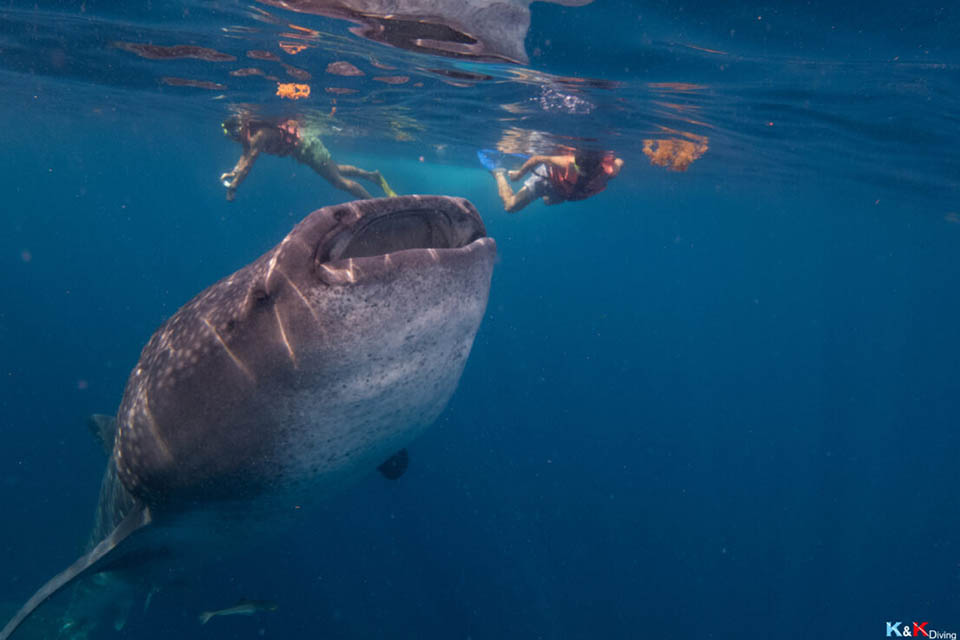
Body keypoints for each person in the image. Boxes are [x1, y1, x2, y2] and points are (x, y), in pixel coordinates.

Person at [219, 115, 396, 201]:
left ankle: (374, 203)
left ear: (240, 127)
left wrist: (234, 187)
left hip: (308, 149)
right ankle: (373, 176)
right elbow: (244, 156)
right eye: (230, 136)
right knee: (336, 169)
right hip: (303, 151)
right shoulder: (248, 136)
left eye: (234, 133)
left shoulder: (259, 136)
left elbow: (249, 163)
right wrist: (234, 172)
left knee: (339, 181)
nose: (234, 138)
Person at [487, 149, 624, 213]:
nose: (580, 173)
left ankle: (548, 197)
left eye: (586, 172)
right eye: (578, 168)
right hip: (547, 178)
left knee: (548, 201)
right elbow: (538, 158)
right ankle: (499, 174)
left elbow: (619, 161)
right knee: (510, 207)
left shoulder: (609, 171)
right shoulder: (567, 163)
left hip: (564, 191)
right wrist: (519, 175)